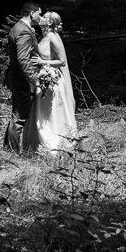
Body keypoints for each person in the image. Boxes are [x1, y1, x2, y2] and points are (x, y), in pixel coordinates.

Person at [30, 11, 79, 153]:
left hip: (53, 80)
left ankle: (55, 144)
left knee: (51, 113)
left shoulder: (52, 36)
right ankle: (41, 144)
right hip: (44, 77)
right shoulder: (44, 36)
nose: (41, 18)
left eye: (44, 17)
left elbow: (62, 61)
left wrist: (43, 62)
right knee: (44, 112)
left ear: (50, 22)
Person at [2, 0, 43, 152]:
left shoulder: (17, 28)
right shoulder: (24, 31)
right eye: (40, 13)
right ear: (32, 13)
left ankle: (7, 149)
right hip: (23, 81)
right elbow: (23, 59)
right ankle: (12, 153)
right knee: (19, 119)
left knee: (16, 115)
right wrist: (35, 79)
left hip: (17, 78)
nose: (41, 17)